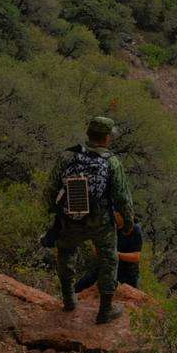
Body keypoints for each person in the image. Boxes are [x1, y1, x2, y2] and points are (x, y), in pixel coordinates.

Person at [44, 116, 135, 324]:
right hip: (100, 221)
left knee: (66, 254)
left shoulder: (68, 156)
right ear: (106, 138)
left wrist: (55, 212)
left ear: (88, 135)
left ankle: (68, 300)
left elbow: (51, 188)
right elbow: (122, 197)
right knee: (108, 260)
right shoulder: (111, 162)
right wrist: (128, 223)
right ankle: (105, 310)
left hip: (70, 217)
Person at [74, 218, 144, 293]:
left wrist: (115, 254)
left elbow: (136, 257)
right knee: (83, 283)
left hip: (128, 271)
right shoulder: (109, 227)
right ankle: (70, 295)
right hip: (107, 265)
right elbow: (96, 250)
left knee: (131, 294)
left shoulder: (135, 230)